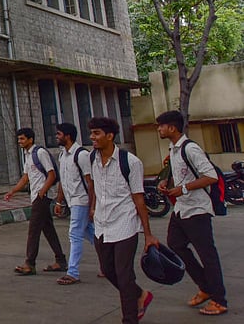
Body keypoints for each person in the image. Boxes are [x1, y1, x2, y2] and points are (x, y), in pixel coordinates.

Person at [155, 110, 228, 316]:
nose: (159, 129)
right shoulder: (174, 149)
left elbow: (211, 176)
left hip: (197, 209)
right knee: (176, 245)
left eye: (161, 125)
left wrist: (185, 188)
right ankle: (205, 287)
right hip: (181, 209)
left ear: (172, 127)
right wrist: (165, 182)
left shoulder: (191, 148)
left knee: (207, 255)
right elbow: (180, 174)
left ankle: (219, 300)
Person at [88, 117, 158, 323]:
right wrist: (92, 208)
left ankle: (129, 319)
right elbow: (94, 186)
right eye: (91, 133)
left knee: (124, 273)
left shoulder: (131, 162)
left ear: (110, 136)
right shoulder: (92, 158)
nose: (92, 137)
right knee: (108, 270)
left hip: (125, 224)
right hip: (102, 224)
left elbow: (138, 198)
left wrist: (148, 234)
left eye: (97, 133)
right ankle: (140, 295)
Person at [4, 127, 66, 275]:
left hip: (42, 197)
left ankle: (30, 263)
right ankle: (61, 260)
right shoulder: (28, 155)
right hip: (37, 196)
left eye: (22, 139)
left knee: (34, 230)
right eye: (18, 139)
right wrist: (12, 191)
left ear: (30, 139)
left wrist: (42, 192)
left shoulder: (40, 152)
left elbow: (51, 174)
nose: (20, 142)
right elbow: (26, 178)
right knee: (48, 229)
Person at [54, 122, 95, 285]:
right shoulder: (63, 155)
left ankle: (73, 272)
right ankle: (109, 258)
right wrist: (59, 201)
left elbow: (90, 182)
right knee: (91, 233)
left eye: (59, 134)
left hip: (82, 200)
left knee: (75, 233)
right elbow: (63, 182)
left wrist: (92, 206)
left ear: (67, 136)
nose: (56, 137)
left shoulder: (81, 155)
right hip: (72, 201)